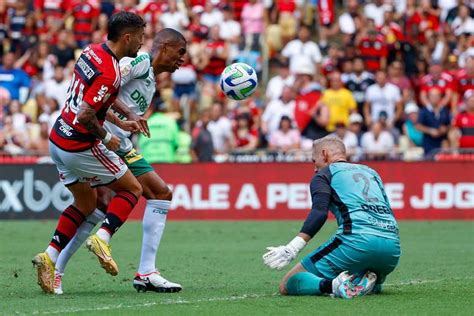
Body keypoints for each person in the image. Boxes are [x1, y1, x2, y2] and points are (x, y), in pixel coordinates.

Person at [53, 28, 187, 294]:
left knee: (101, 206)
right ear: (165, 46)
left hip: (118, 141)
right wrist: (116, 122)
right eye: (180, 52)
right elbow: (106, 87)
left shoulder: (150, 77)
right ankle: (144, 271)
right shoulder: (138, 63)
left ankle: (56, 268)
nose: (182, 59)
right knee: (157, 193)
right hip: (106, 141)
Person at [32, 11, 147, 294]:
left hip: (57, 137)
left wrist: (123, 118)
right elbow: (87, 115)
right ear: (127, 37)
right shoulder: (110, 71)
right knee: (132, 189)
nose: (142, 44)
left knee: (85, 203)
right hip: (78, 145)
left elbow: (95, 100)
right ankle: (102, 238)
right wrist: (109, 138)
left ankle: (49, 256)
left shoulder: (91, 51)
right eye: (141, 37)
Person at [263, 136, 400, 299]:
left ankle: (335, 285)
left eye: (314, 161)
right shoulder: (372, 172)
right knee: (367, 279)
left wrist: (292, 248)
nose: (315, 168)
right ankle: (365, 283)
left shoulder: (324, 175)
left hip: (357, 242)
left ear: (324, 153)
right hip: (392, 248)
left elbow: (319, 213)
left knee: (288, 283)